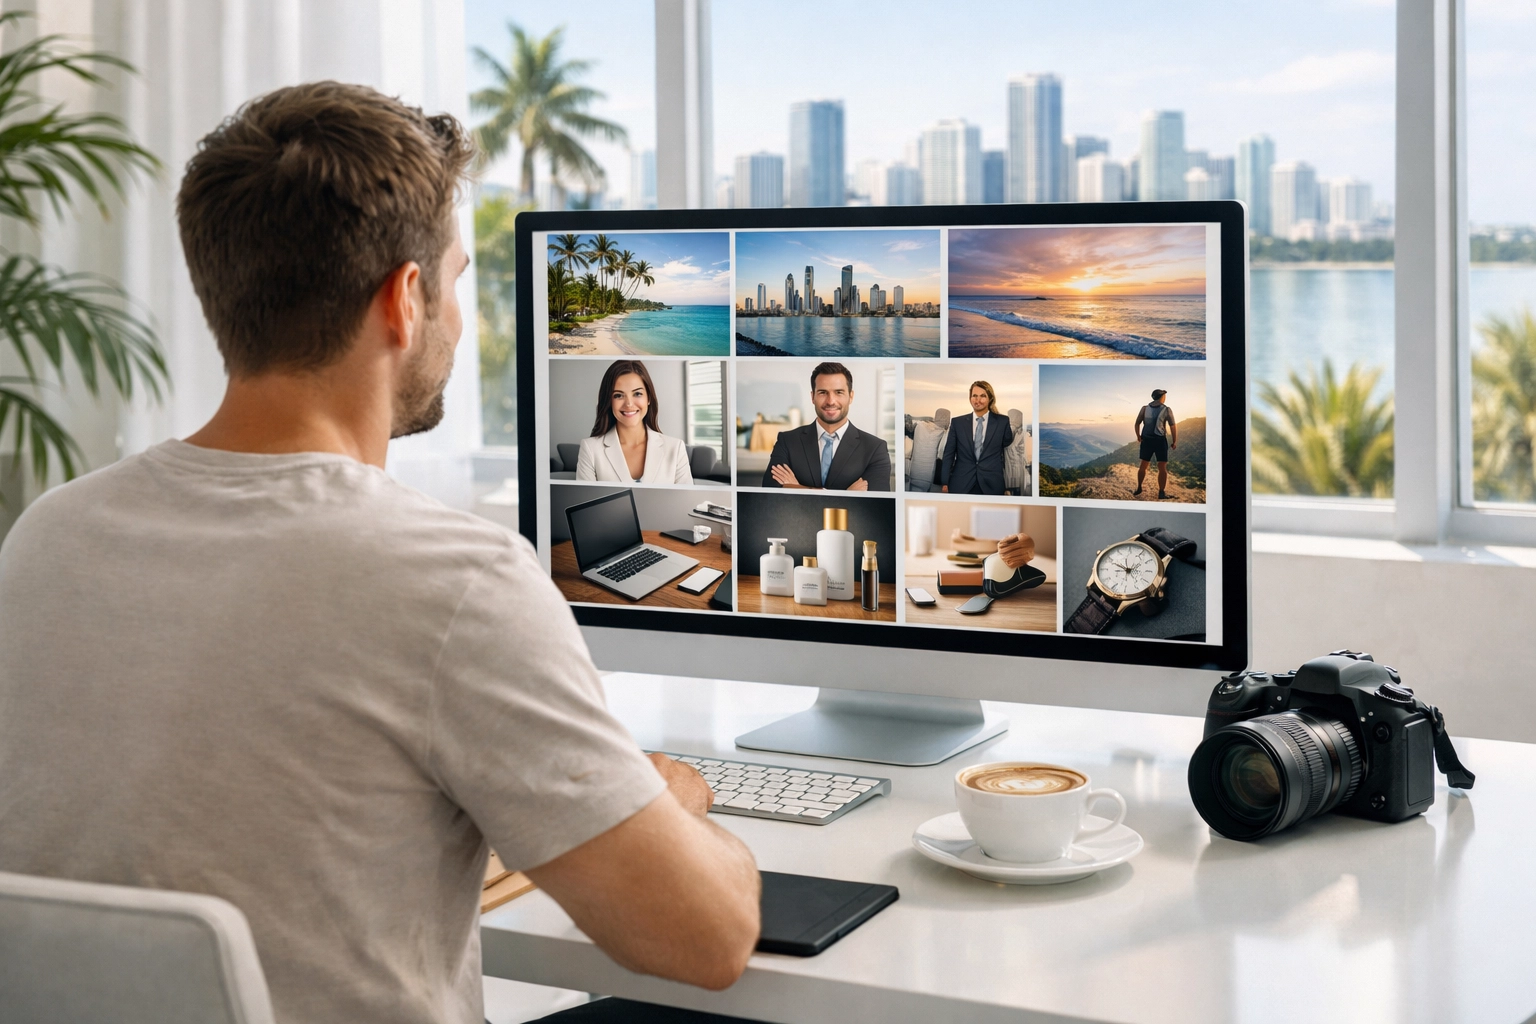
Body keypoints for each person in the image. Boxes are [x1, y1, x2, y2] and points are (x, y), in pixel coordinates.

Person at [0, 83, 759, 1024]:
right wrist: (656, 796)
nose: (455, 312)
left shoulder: (49, 535)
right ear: (405, 300)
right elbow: (709, 937)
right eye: (451, 282)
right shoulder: (456, 580)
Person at [762, 361, 892, 491]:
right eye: (823, 392)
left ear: (850, 396)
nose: (831, 401)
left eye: (839, 392)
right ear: (813, 397)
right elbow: (770, 490)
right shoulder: (787, 441)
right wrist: (846, 494)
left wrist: (797, 487)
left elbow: (876, 501)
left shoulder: (875, 449)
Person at [575, 360, 694, 484]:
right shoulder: (590, 449)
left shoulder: (675, 448)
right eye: (618, 395)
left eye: (637, 394)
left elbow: (686, 502)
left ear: (648, 398)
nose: (629, 404)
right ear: (609, 401)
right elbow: (587, 502)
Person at [939, 380, 1014, 495]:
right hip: (961, 484)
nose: (978, 400)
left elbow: (1007, 443)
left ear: (990, 398)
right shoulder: (957, 423)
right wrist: (945, 482)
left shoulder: (1002, 422)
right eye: (974, 396)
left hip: (992, 485)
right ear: (970, 398)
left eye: (983, 396)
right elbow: (948, 453)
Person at [1134, 387, 1179, 499]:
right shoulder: (1167, 409)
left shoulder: (1144, 408)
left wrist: (1138, 436)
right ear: (1162, 397)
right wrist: (1174, 441)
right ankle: (1161, 492)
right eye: (1164, 396)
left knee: (1143, 465)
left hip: (1147, 440)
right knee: (1162, 467)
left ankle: (1139, 488)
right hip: (1160, 441)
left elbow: (1137, 423)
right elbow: (1173, 427)